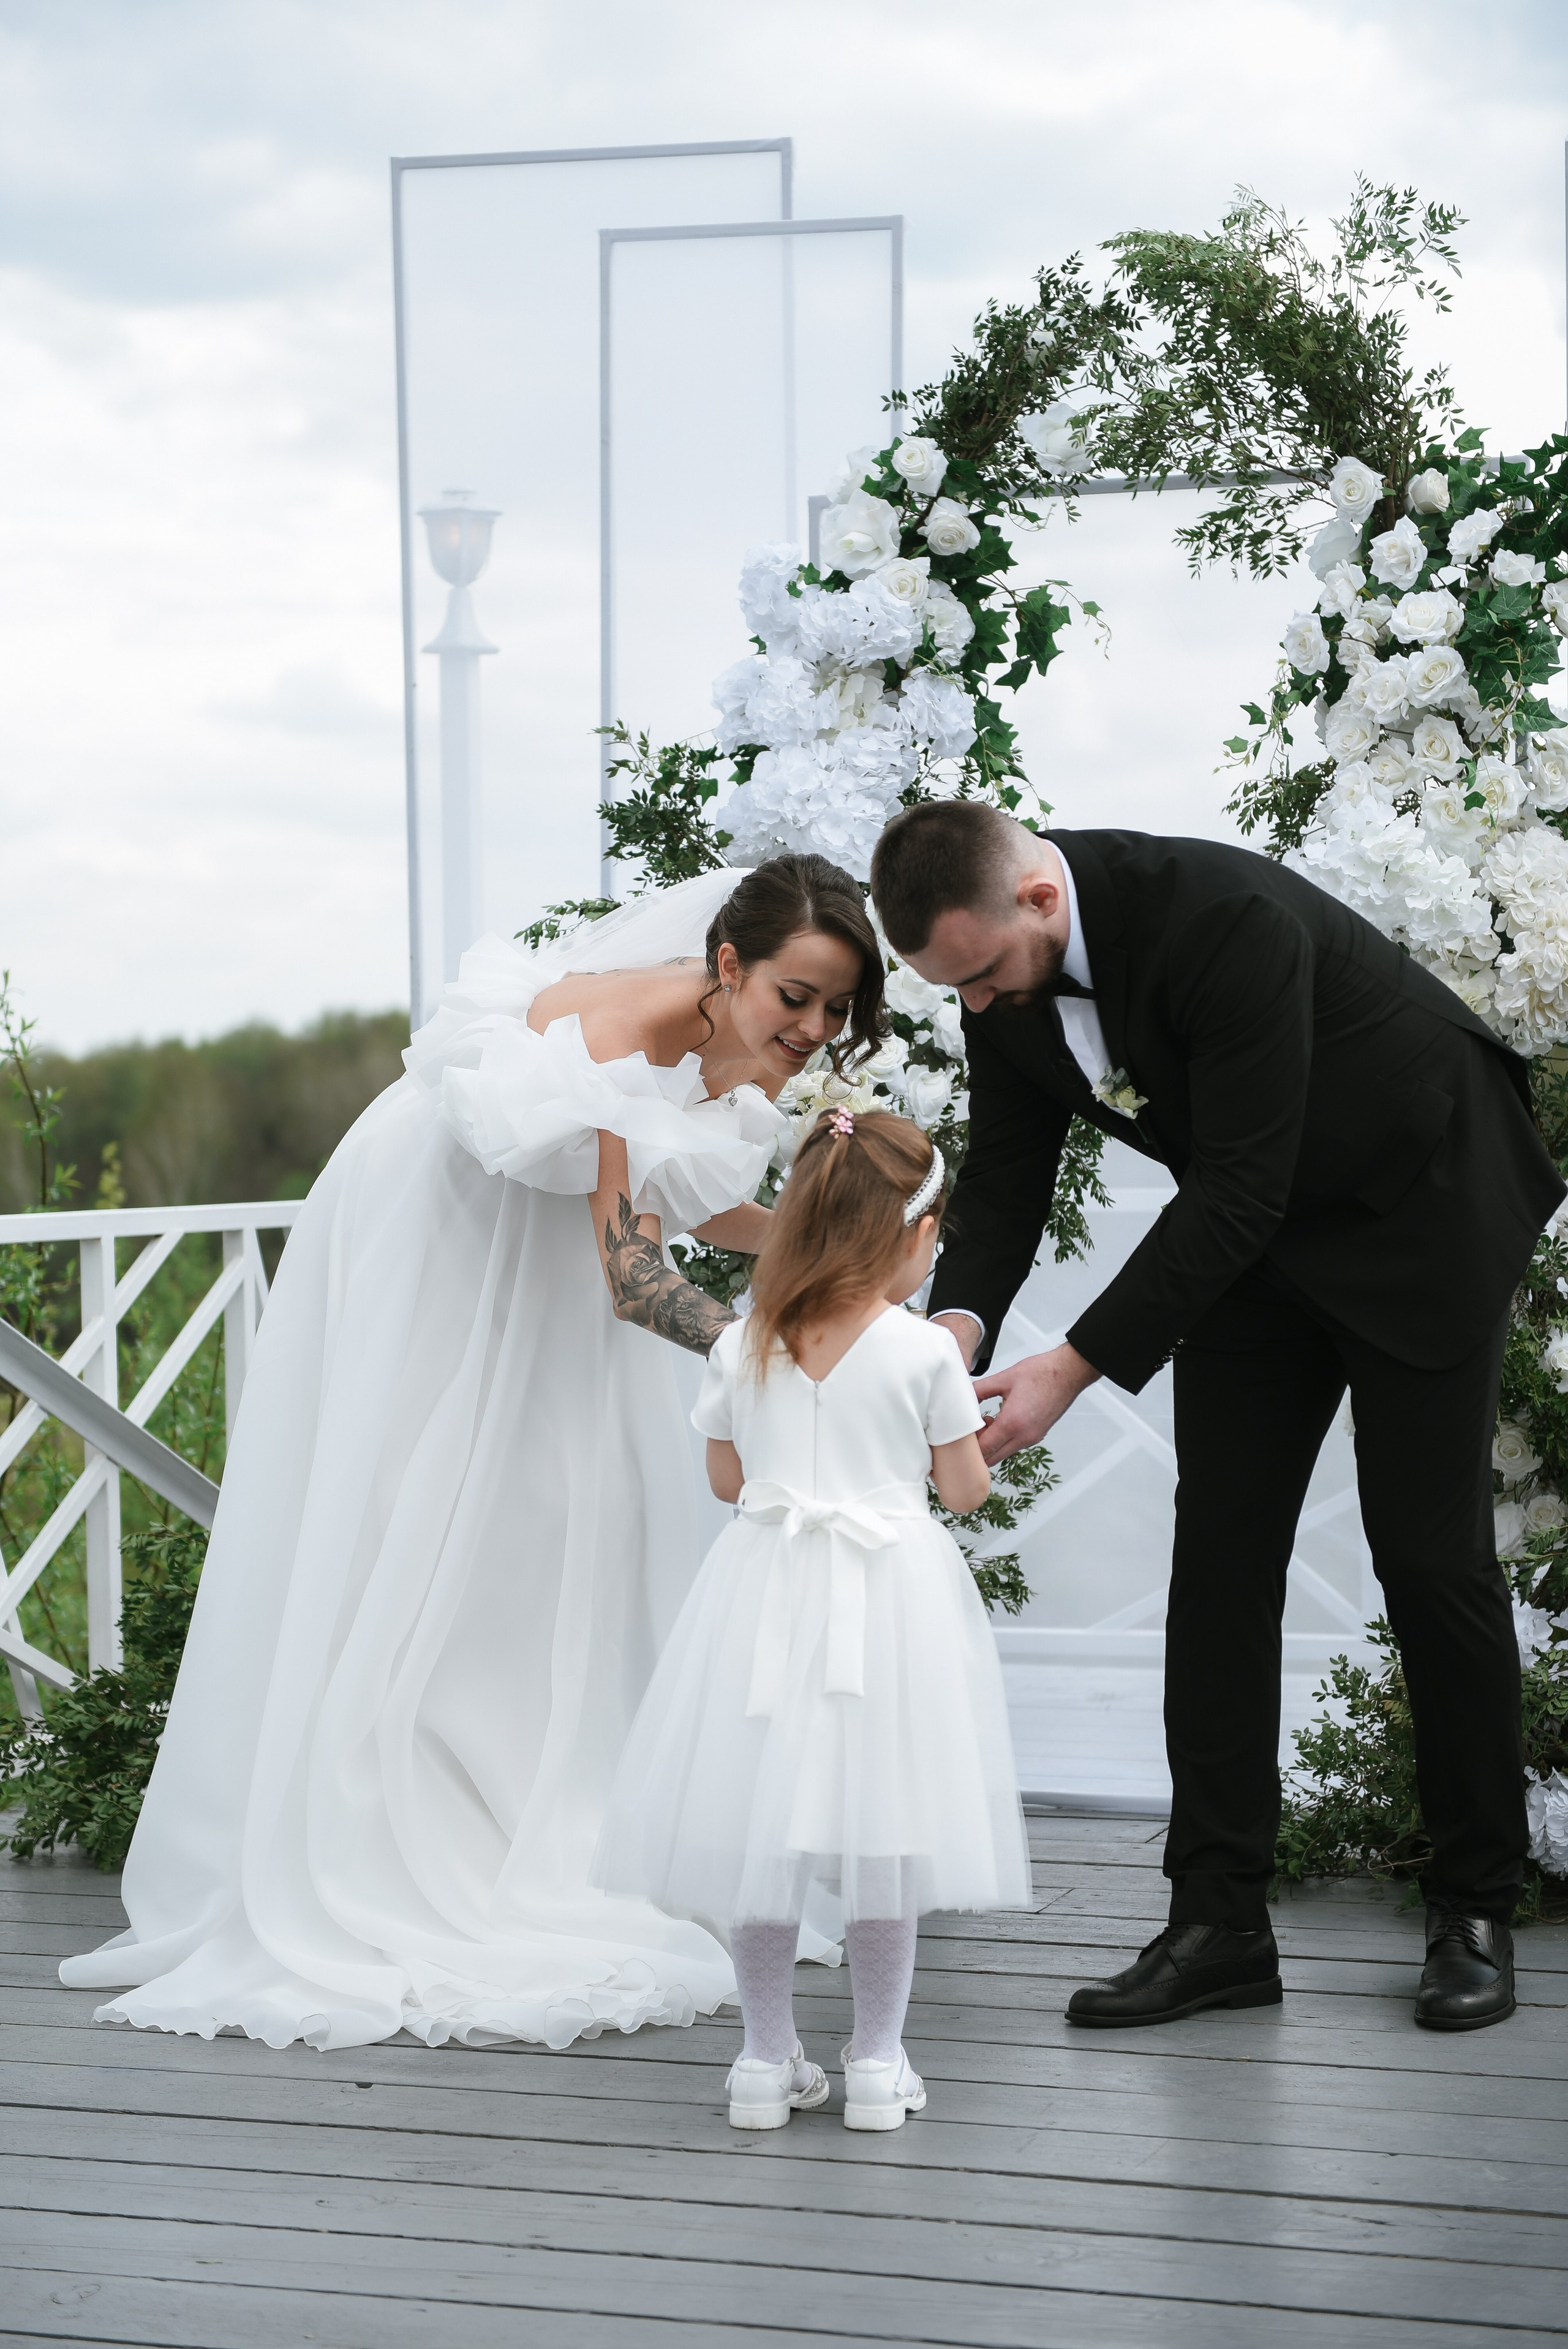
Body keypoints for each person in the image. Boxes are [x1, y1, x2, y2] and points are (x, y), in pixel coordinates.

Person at [62, 857, 885, 2051]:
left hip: (544, 1245)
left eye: (832, 1011)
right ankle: (401, 1826)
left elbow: (693, 1204)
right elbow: (632, 1274)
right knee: (438, 1513)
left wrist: (849, 1258)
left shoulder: (723, 1052)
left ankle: (525, 1803)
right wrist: (785, 1340)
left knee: (565, 1519)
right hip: (439, 1235)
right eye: (793, 997)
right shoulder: (611, 1038)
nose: (810, 1030)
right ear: (725, 967)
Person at [870, 802, 1566, 2034]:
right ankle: (1218, 1923)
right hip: (1257, 1239)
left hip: (1418, 1206)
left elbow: (1239, 1181)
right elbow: (1007, 1171)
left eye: (978, 978)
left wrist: (1070, 1366)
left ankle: (1470, 1906)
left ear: (1036, 897)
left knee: (1425, 1554)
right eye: (950, 992)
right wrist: (960, 1329)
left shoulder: (1216, 917)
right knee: (1220, 1554)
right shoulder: (995, 974)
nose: (974, 1008)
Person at [593, 1107, 1031, 2130]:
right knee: (887, 1832)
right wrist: (958, 1441)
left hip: (765, 1591)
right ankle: (877, 2061)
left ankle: (762, 2060)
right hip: (891, 1595)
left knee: (765, 1829)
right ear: (915, 1238)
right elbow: (962, 1494)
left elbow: (724, 1478)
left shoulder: (746, 1341)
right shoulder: (924, 1351)